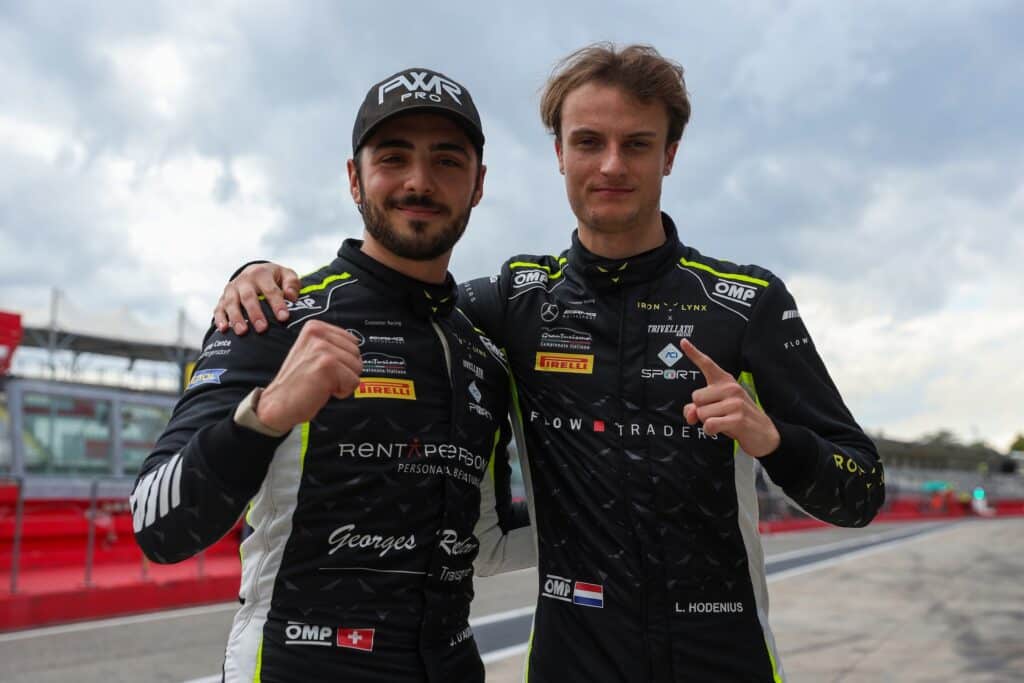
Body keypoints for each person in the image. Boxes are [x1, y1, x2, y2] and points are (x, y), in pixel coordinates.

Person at [218, 44, 886, 682]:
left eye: (638, 144)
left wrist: (770, 438)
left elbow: (859, 491)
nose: (612, 166)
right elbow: (396, 290)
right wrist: (258, 276)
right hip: (573, 665)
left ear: (671, 155)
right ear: (559, 155)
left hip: (725, 661)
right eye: (589, 142)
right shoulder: (518, 299)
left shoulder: (745, 302)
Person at [131, 67, 534, 683]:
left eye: (447, 162)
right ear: (354, 178)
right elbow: (156, 526)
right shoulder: (273, 316)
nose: (419, 182)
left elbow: (489, 541)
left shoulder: (482, 353)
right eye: (393, 158)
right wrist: (264, 419)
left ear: (478, 185)